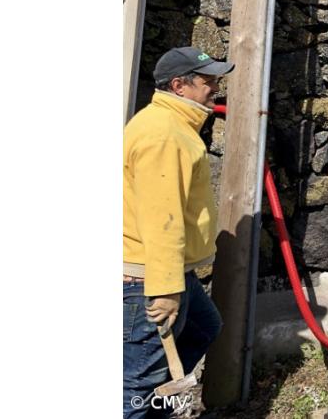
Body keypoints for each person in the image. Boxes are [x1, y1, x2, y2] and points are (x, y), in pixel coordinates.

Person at [123, 47, 234, 417]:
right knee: (137, 382)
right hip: (148, 278)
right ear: (178, 86)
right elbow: (163, 220)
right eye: (208, 80)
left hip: (167, 272)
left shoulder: (172, 126)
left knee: (204, 326)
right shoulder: (164, 135)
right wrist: (167, 289)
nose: (215, 87)